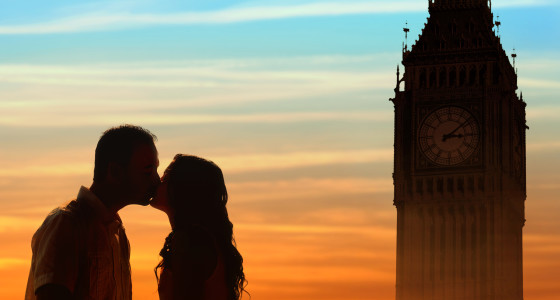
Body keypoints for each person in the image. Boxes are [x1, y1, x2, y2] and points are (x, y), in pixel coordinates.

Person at [25, 125, 160, 300]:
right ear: (115, 172)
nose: (156, 181)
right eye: (148, 170)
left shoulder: (118, 234)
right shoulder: (67, 225)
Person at [150, 154, 247, 300]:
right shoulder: (199, 237)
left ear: (183, 188)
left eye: (166, 178)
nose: (157, 182)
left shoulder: (191, 241)